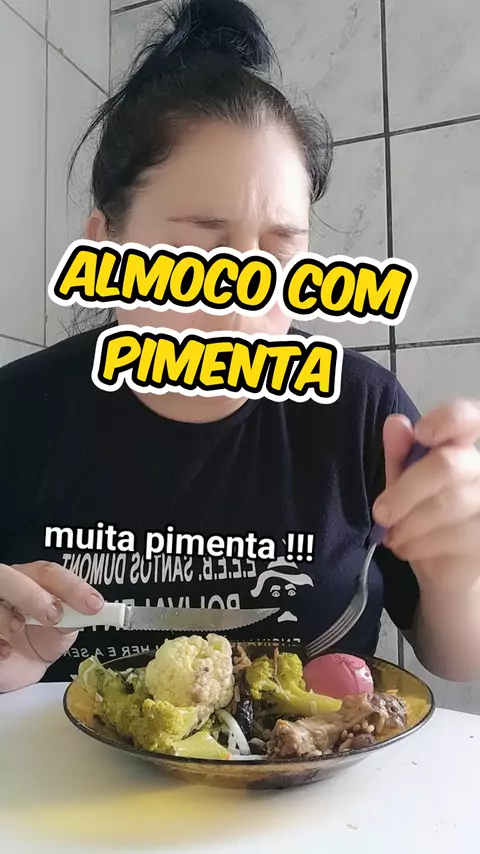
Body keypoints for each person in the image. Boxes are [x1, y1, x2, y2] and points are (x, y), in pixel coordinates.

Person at [0, 0, 479, 694]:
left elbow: (457, 660)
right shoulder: (20, 413)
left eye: (280, 250)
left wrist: (457, 573)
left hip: (309, 769)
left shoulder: (363, 412)